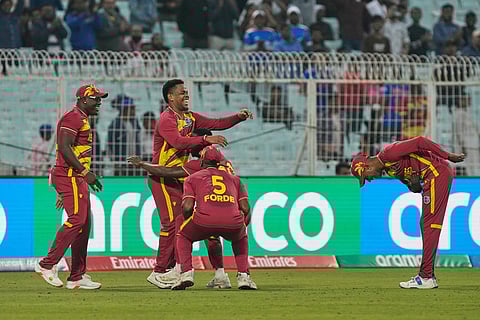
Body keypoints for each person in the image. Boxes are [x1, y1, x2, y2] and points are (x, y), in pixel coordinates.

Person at [146, 79, 253, 288]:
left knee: (180, 222)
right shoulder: (166, 119)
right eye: (181, 93)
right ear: (170, 97)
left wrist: (238, 118)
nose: (186, 96)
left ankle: (175, 269)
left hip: (179, 178)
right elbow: (178, 142)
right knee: (170, 223)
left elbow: (217, 123)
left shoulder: (190, 118)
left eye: (187, 93)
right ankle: (159, 271)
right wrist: (206, 140)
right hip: (162, 177)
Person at [350, 136, 465, 289]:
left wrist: (448, 156)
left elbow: (420, 142)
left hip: (437, 173)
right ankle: (428, 275)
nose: (370, 180)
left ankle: (426, 277)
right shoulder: (390, 170)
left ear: (367, 167)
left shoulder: (389, 153)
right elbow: (414, 187)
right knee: (426, 224)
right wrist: (415, 184)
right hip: (433, 177)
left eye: (366, 177)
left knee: (430, 225)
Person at [128, 128, 234, 289]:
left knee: (180, 227)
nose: (189, 144)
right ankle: (223, 275)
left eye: (193, 140)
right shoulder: (224, 162)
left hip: (206, 207)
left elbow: (168, 171)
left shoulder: (198, 164)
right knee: (212, 237)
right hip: (226, 206)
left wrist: (142, 164)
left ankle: (182, 271)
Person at [35, 84, 106, 290]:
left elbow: (69, 149)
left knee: (84, 225)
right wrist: (84, 172)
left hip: (76, 178)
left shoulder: (81, 118)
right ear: (83, 99)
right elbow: (64, 148)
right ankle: (46, 264)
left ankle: (77, 276)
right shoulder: (73, 117)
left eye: (100, 98)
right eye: (96, 98)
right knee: (77, 220)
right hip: (70, 176)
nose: (99, 102)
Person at [173, 146, 257, 290]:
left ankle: (186, 273)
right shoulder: (235, 179)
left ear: (201, 162)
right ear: (219, 163)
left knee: (183, 235)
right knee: (241, 237)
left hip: (204, 221)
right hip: (232, 221)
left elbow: (187, 207)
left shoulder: (192, 178)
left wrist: (191, 221)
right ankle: (244, 277)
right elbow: (245, 208)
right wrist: (238, 224)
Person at [107, 94, 142, 176]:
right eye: (132, 109)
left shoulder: (134, 122)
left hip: (134, 162)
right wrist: (115, 161)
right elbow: (110, 144)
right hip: (121, 162)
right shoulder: (115, 124)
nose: (134, 111)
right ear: (125, 110)